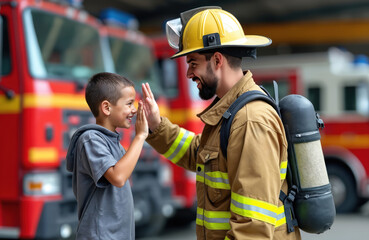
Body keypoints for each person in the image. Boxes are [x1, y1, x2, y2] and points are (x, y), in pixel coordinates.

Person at [142, 7, 301, 240]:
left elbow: (252, 230)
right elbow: (201, 154)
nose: (188, 73)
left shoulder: (250, 120)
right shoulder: (231, 111)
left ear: (217, 60)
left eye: (193, 63)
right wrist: (156, 125)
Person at [66, 72, 148, 239]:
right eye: (129, 103)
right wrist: (140, 136)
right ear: (106, 108)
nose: (134, 109)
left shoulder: (115, 143)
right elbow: (118, 177)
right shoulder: (90, 139)